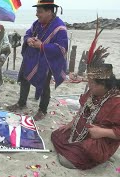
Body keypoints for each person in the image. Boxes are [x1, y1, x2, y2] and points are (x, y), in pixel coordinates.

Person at [51, 30, 120, 169]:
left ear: (104, 85)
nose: (89, 85)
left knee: (67, 161)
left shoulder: (116, 102)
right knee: (57, 135)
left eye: (92, 83)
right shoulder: (94, 92)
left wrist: (102, 132)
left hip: (99, 139)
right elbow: (84, 110)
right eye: (89, 81)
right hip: (81, 132)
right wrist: (71, 123)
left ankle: (103, 157)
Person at [7, 0, 68, 121]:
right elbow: (28, 34)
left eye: (39, 12)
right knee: (25, 78)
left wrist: (42, 46)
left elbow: (62, 49)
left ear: (49, 12)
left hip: (47, 61)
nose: (37, 14)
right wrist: (28, 39)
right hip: (32, 58)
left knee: (44, 85)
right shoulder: (37, 23)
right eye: (37, 11)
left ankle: (42, 110)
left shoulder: (60, 27)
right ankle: (21, 103)